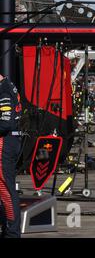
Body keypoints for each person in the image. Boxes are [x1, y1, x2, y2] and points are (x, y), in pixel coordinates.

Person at [0, 74, 22, 238]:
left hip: (5, 143)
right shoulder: (8, 85)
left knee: (5, 189)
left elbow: (5, 123)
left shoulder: (4, 89)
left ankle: (12, 233)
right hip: (10, 141)